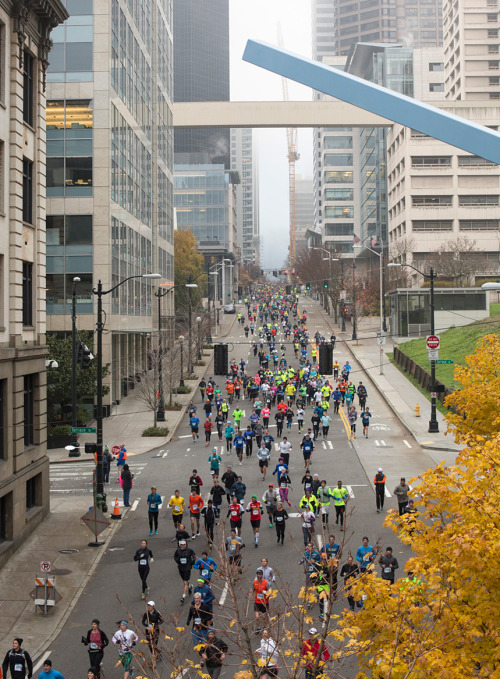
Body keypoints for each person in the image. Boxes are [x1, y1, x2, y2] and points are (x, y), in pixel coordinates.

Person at [174, 539, 196, 603]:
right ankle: (190, 586)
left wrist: (192, 562)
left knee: (185, 582)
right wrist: (177, 561)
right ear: (180, 545)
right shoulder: (178, 551)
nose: (183, 546)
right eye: (181, 545)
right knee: (184, 580)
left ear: (186, 545)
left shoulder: (189, 550)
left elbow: (194, 556)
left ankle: (183, 596)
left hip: (187, 568)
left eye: (184, 545)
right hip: (181, 568)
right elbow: (175, 556)